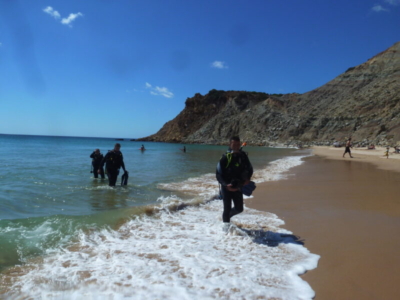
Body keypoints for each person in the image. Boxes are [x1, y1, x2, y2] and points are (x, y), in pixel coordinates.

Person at [216, 136, 253, 232]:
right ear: (230, 144)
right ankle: (226, 230)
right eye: (234, 144)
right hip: (227, 187)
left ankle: (226, 217)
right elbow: (218, 174)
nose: (236, 146)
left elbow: (250, 169)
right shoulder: (225, 157)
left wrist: (247, 179)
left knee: (239, 208)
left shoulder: (243, 156)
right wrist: (225, 185)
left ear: (240, 144)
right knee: (227, 208)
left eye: (237, 144)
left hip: (238, 186)